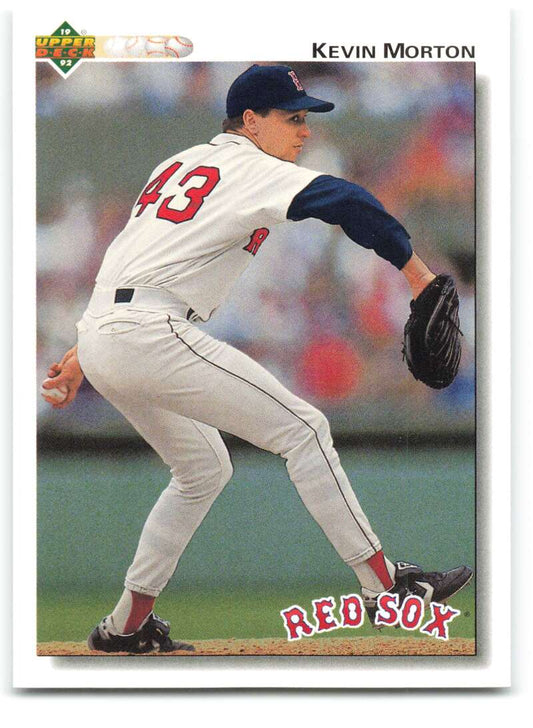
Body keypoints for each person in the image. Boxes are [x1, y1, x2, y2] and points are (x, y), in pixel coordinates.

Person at [42, 64, 472, 654]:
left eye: (306, 120)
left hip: (111, 331)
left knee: (203, 470)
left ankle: (125, 625)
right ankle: (385, 586)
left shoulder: (180, 163)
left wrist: (83, 350)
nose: (303, 132)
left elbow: (130, 258)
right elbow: (345, 199)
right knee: (305, 428)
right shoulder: (249, 165)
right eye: (292, 118)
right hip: (147, 333)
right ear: (250, 120)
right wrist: (417, 274)